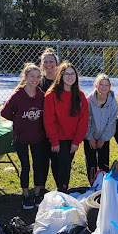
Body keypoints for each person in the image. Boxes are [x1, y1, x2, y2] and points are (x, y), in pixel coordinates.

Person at [0, 63, 49, 210]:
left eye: (38, 77)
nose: (35, 79)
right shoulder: (17, 95)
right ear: (25, 77)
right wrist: (18, 121)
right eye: (32, 76)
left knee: (38, 164)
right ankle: (25, 194)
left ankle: (37, 193)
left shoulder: (41, 95)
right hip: (21, 137)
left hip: (37, 136)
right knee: (25, 166)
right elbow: (5, 112)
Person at [43, 61, 89, 192]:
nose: (70, 77)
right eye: (66, 74)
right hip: (57, 139)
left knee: (65, 166)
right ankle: (62, 190)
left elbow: (83, 121)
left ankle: (62, 190)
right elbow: (49, 120)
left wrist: (76, 141)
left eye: (72, 74)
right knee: (60, 166)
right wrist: (54, 141)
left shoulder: (80, 96)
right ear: (60, 76)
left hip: (71, 139)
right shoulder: (51, 95)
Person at [84, 73, 118, 185]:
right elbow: (86, 120)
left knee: (104, 162)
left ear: (110, 87)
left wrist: (103, 138)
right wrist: (90, 138)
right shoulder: (89, 101)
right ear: (96, 85)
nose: (103, 87)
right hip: (90, 137)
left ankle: (104, 184)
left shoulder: (112, 103)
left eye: (106, 85)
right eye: (101, 84)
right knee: (91, 162)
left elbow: (111, 122)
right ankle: (93, 184)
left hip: (104, 138)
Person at [38, 47, 60, 187]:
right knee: (41, 161)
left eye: (51, 61)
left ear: (56, 63)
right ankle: (40, 189)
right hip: (40, 127)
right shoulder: (38, 80)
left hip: (59, 127)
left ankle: (61, 187)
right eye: (45, 61)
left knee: (58, 161)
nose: (48, 64)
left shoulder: (62, 80)